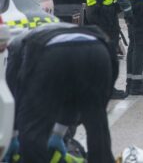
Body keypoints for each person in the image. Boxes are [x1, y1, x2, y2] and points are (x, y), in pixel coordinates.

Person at [3, 23, 117, 163]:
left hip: (53, 54)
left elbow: (14, 95)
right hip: (98, 49)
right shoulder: (51, 30)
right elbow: (72, 97)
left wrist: (13, 135)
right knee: (97, 124)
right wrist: (58, 132)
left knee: (32, 132)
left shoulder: (15, 46)